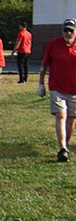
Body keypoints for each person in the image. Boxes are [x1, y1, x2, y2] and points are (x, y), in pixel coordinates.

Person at [38, 18, 76, 162]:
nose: (68, 33)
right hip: (57, 87)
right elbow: (44, 65)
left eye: (71, 30)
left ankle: (65, 143)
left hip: (74, 89)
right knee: (61, 115)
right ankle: (63, 149)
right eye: (66, 30)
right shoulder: (53, 44)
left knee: (71, 120)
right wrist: (41, 84)